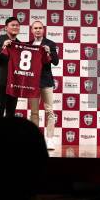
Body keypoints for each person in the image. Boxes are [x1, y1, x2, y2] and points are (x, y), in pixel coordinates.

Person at [28, 20, 59, 150]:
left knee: (49, 111)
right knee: (34, 112)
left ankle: (50, 139)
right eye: (35, 28)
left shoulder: (50, 43)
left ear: (43, 30)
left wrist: (49, 52)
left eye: (40, 28)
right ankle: (35, 139)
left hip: (46, 81)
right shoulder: (28, 44)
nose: (38, 30)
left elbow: (56, 62)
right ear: (32, 30)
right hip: (32, 82)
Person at [0, 16, 20, 118]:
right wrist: (3, 46)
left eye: (17, 25)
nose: (15, 27)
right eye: (12, 25)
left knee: (11, 114)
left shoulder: (20, 44)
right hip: (1, 82)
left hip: (14, 83)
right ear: (6, 28)